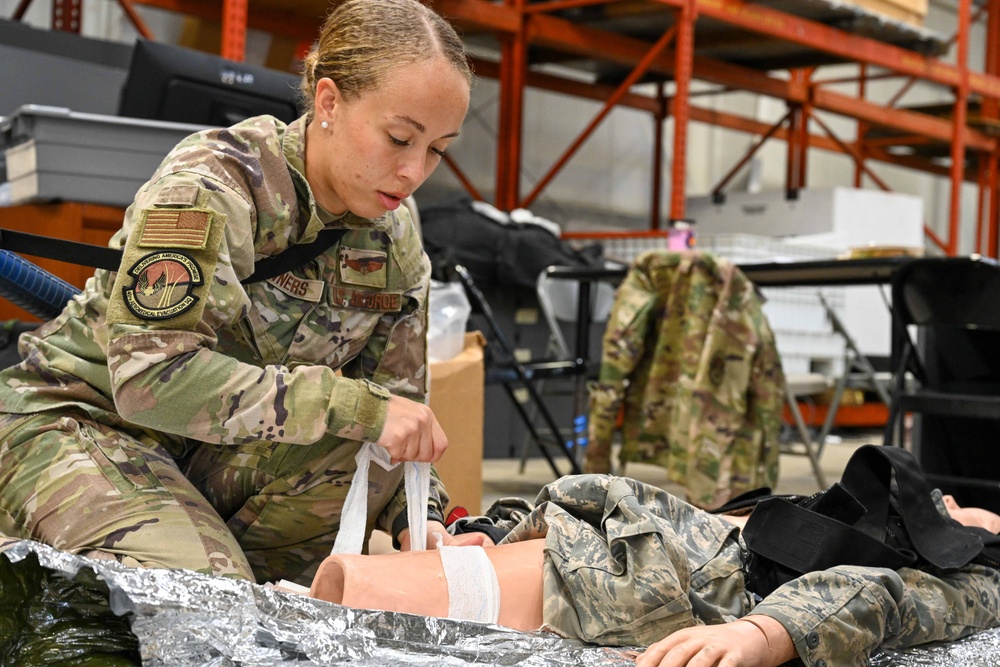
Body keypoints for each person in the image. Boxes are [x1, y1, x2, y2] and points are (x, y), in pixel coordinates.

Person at [0, 0, 480, 585]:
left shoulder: (392, 238)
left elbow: (396, 411)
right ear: (328, 102)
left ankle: (236, 579)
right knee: (207, 599)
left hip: (209, 450)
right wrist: (350, 405)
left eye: (437, 149)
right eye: (399, 137)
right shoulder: (212, 187)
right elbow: (148, 383)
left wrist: (421, 518)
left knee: (343, 475)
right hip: (89, 421)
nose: (413, 172)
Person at [308, 473, 1000, 667]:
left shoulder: (977, 573)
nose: (958, 506)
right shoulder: (916, 513)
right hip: (635, 527)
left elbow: (875, 595)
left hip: (640, 572)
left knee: (353, 593)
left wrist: (763, 633)